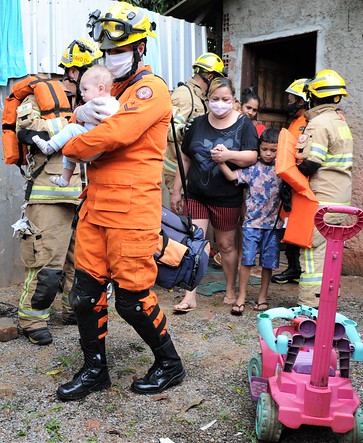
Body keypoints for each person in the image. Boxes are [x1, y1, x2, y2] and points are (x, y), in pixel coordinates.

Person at [55, 1, 185, 401]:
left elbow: (113, 136)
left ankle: (170, 364)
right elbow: (85, 118)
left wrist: (63, 144)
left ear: (140, 48)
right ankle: (95, 371)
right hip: (95, 207)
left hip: (131, 212)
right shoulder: (113, 91)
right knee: (83, 293)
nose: (111, 59)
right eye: (107, 52)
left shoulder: (151, 90)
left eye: (119, 50)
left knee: (131, 300)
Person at [14, 38, 102, 346]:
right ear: (75, 69)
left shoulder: (94, 99)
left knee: (79, 261)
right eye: (89, 69)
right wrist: (72, 124)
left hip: (85, 192)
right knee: (47, 261)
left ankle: (70, 309)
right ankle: (32, 319)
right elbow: (24, 128)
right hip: (49, 193)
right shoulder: (42, 95)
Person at [170, 77, 259, 313]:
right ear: (207, 99)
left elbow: (252, 156)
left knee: (226, 245)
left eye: (225, 99)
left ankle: (230, 288)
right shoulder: (196, 124)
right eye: (215, 99)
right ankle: (190, 295)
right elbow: (186, 158)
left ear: (233, 100)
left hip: (227, 196)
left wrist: (228, 155)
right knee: (195, 242)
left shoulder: (244, 125)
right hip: (197, 194)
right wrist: (177, 189)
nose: (220, 104)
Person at [294, 69, 354, 308]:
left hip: (322, 201)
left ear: (313, 97)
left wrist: (290, 170)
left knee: (312, 256)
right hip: (340, 201)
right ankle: (328, 303)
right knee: (331, 254)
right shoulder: (340, 122)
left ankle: (310, 309)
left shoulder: (318, 123)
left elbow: (310, 164)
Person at [217, 128, 284, 315]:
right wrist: (220, 162)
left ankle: (263, 296)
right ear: (259, 149)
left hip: (273, 225)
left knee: (268, 263)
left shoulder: (283, 170)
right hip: (251, 225)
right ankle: (241, 296)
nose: (269, 153)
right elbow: (232, 176)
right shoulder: (253, 169)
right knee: (246, 261)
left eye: (273, 150)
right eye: (265, 149)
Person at [32, 66, 120, 187]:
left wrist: (80, 114)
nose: (82, 93)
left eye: (85, 89)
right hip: (94, 143)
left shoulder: (105, 104)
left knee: (71, 129)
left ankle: (50, 147)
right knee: (69, 148)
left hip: (96, 143)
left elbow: (111, 125)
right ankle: (64, 179)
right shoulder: (112, 102)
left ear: (100, 89)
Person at [163, 52, 226, 196]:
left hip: (192, 171)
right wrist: (183, 130)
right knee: (181, 216)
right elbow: (166, 129)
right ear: (209, 77)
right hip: (176, 171)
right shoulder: (183, 95)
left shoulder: (202, 97)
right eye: (217, 80)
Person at [272, 78, 310, 285]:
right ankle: (293, 268)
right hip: (291, 183)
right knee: (290, 224)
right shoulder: (297, 122)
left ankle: (300, 269)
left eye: (291, 99)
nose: (288, 102)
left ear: (302, 100)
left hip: (301, 183)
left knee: (299, 226)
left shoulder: (308, 124)